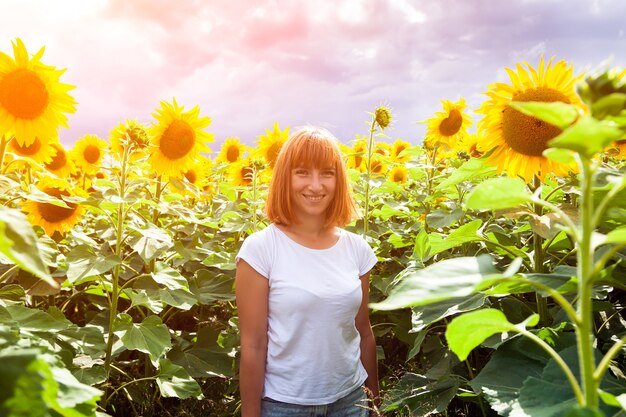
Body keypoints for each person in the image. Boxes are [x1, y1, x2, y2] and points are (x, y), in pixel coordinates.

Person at [235, 126, 380, 417]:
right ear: (285, 178)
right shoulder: (261, 250)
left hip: (350, 402)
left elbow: (363, 331)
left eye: (327, 173)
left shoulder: (357, 250)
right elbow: (253, 344)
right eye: (302, 172)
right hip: (284, 405)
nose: (316, 185)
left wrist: (374, 405)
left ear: (339, 180)